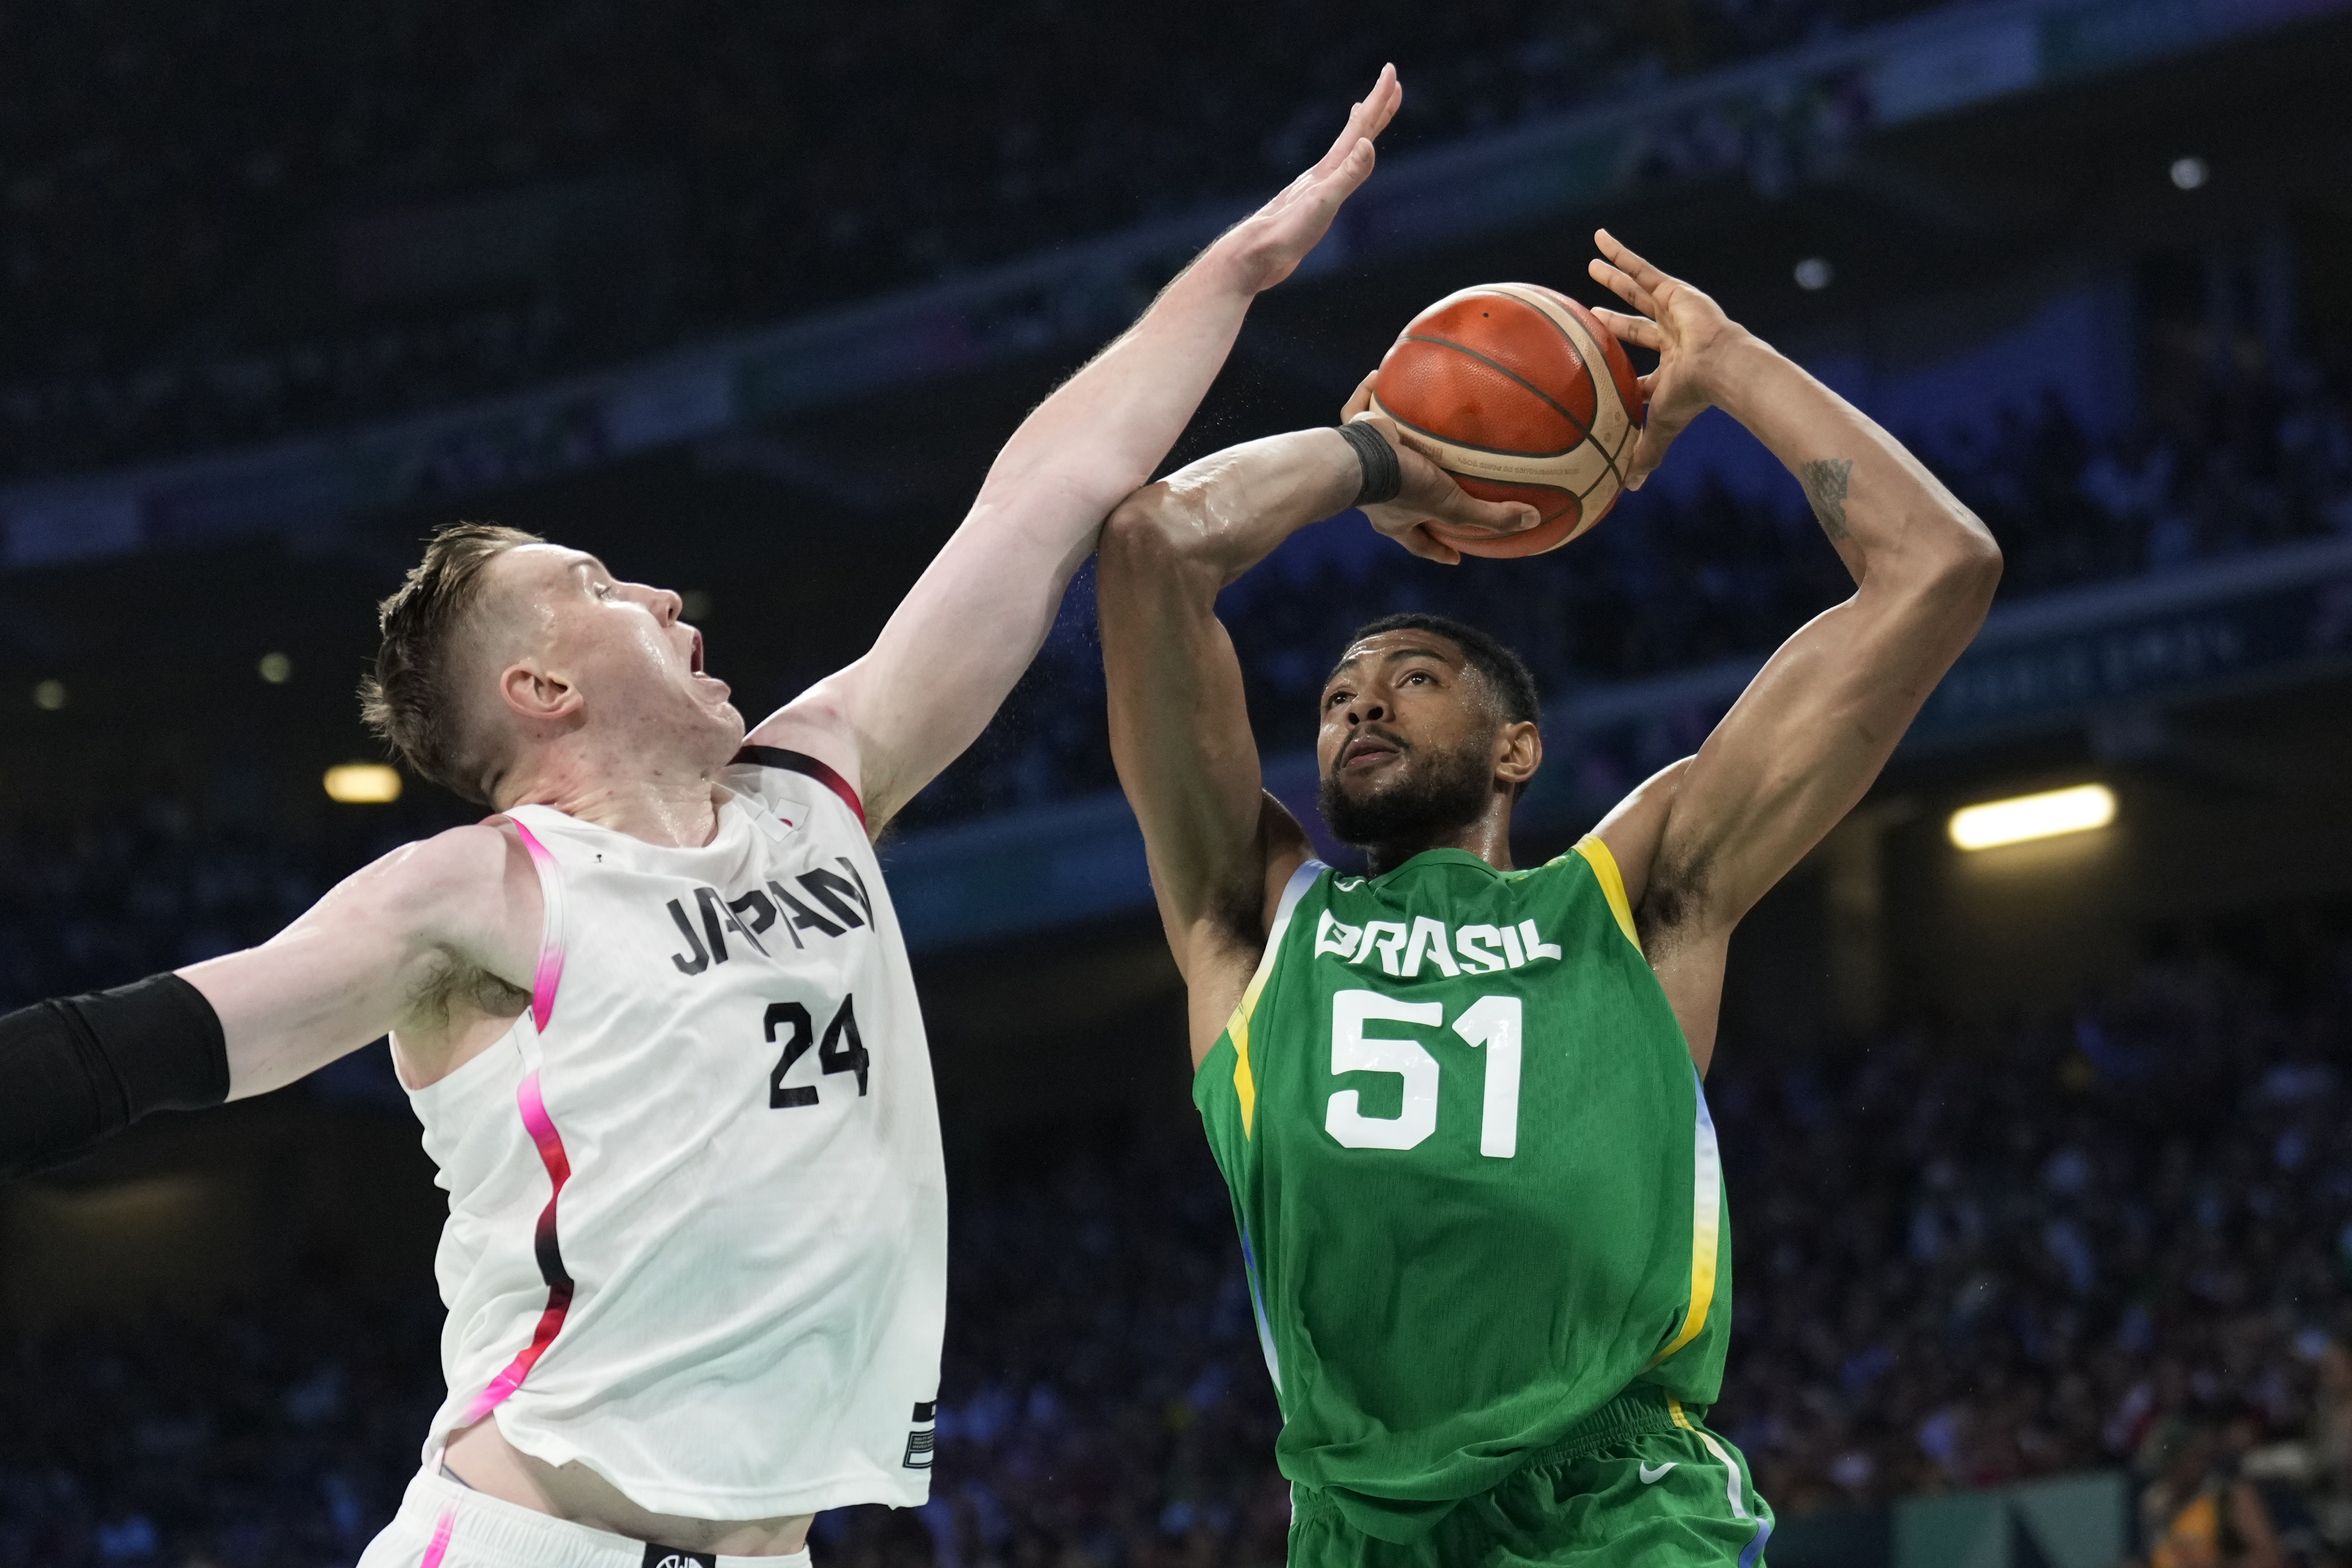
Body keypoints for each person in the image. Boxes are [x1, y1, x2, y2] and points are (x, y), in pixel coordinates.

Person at [0, 69, 1406, 1567]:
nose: (662, 594)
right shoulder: (471, 897)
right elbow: (123, 1052)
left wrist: (1237, 269)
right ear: (538, 685)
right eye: (598, 585)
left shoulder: (819, 783)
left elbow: (1040, 497)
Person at [1095, 230, 2002, 1566]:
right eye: (1340, 693)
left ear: (1517, 747)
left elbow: (1939, 567)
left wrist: (1729, 364)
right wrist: (1387, 454)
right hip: (1358, 1530)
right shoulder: (1253, 918)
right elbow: (1151, 546)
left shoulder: (1636, 897)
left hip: (1621, 1509)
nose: (1358, 706)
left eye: (1409, 677)